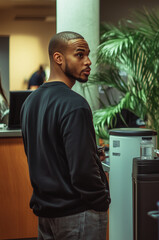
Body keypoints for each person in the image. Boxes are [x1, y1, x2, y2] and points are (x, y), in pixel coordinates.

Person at [20, 31, 110, 240]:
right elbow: (82, 171)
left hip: (46, 213)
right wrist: (101, 200)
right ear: (58, 58)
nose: (88, 62)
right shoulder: (75, 104)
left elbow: (44, 155)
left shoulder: (29, 103)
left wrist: (92, 156)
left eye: (88, 55)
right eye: (80, 55)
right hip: (78, 213)